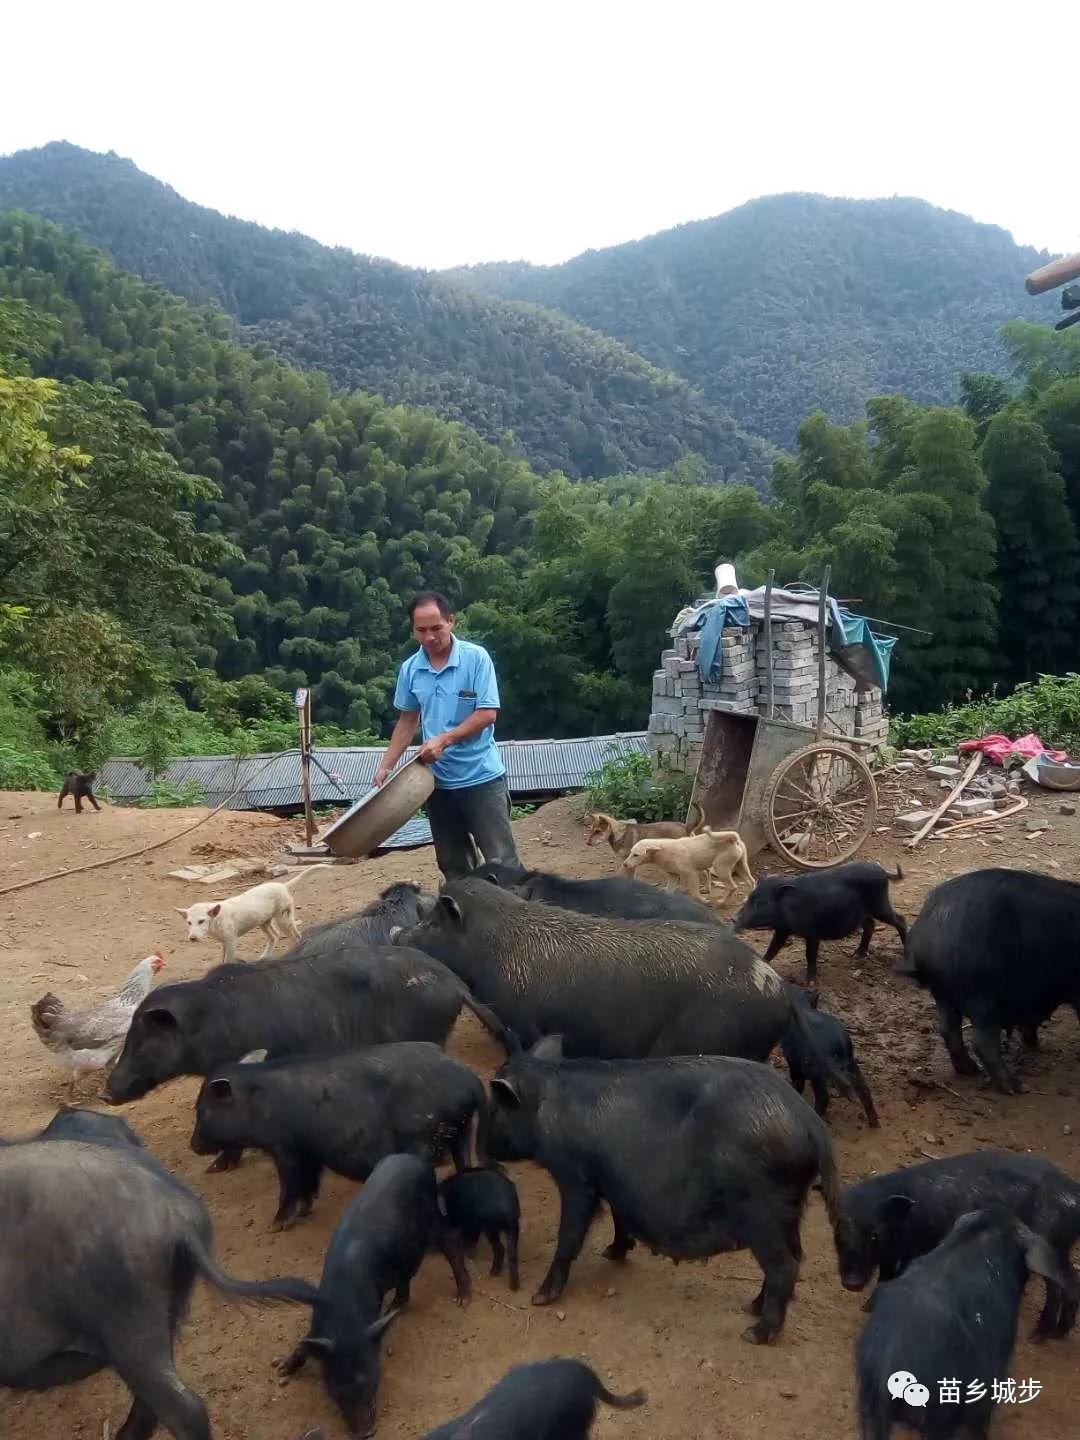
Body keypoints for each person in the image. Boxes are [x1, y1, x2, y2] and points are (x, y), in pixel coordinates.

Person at [373, 591, 521, 880]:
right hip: (436, 783)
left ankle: (519, 922)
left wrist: (444, 739)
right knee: (454, 865)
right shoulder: (411, 670)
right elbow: (407, 720)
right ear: (413, 629)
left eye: (436, 628)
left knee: (502, 862)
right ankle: (468, 922)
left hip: (482, 777)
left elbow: (487, 713)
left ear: (451, 621)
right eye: (421, 630)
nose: (429, 637)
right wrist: (386, 765)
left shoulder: (476, 659)